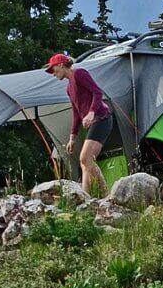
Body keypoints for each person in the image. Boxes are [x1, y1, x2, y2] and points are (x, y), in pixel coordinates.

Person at [46, 53, 113, 195]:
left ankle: (87, 197)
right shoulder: (69, 88)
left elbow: (97, 92)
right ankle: (102, 195)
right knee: (86, 162)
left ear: (61, 65)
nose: (53, 74)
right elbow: (76, 114)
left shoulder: (79, 74)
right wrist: (72, 138)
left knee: (85, 158)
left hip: (102, 118)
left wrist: (91, 112)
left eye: (53, 70)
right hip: (96, 121)